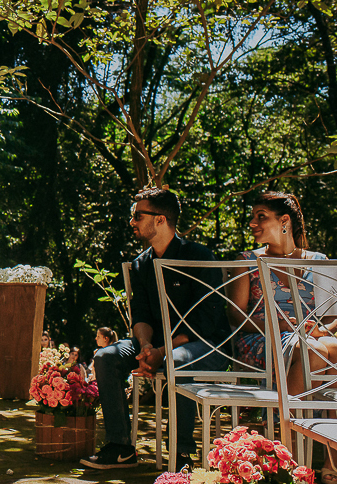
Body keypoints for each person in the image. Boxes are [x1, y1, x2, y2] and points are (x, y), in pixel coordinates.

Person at [80, 188, 229, 472]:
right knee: (106, 356)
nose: (132, 222)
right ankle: (120, 447)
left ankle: (181, 455)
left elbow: (205, 323)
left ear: (160, 219)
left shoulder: (199, 256)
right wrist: (147, 346)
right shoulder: (141, 264)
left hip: (205, 346)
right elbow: (141, 315)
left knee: (178, 359)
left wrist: (163, 352)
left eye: (138, 215)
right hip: (158, 344)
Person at [227, 192, 337, 482]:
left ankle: (321, 460)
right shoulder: (248, 261)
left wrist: (320, 329)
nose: (252, 223)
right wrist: (277, 326)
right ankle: (298, 460)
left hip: (313, 341)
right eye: (253, 217)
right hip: (261, 342)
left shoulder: (319, 261)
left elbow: (330, 317)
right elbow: (237, 316)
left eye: (260, 216)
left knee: (327, 347)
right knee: (314, 349)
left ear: (284, 221)